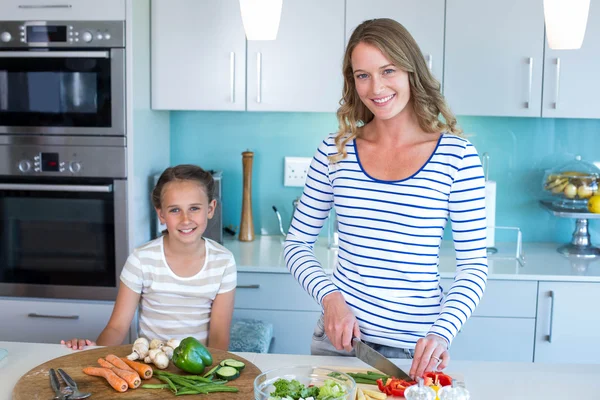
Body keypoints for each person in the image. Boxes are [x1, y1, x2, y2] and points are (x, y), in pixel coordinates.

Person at [283, 18, 487, 379]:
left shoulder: (457, 156)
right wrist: (331, 300)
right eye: (362, 75)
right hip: (341, 345)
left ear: (412, 71)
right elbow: (296, 243)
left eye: (388, 70)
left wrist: (442, 332)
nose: (375, 87)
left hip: (417, 352)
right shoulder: (335, 151)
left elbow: (473, 266)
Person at [61, 165, 237, 351]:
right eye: (175, 210)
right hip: (151, 366)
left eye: (194, 208)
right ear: (161, 214)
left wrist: (208, 377)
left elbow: (219, 337)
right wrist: (90, 351)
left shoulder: (223, 262)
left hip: (199, 369)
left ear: (210, 209)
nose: (186, 219)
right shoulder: (141, 260)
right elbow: (116, 327)